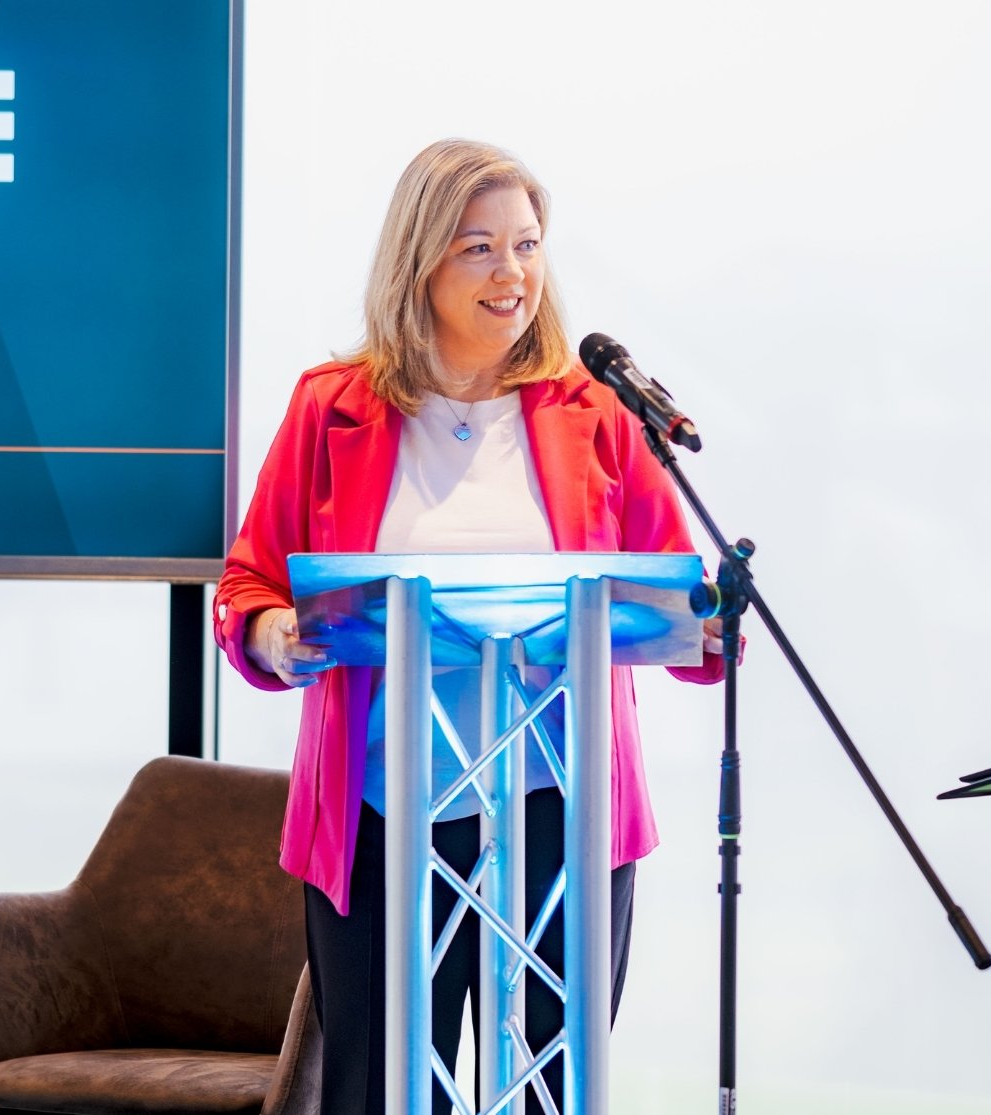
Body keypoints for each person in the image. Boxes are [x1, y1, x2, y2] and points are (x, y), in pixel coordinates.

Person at [213, 138, 726, 1114]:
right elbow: (247, 587)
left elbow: (675, 593)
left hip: (555, 803)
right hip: (376, 809)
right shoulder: (333, 409)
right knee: (372, 1089)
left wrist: (710, 625)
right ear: (420, 259)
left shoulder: (597, 412)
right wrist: (279, 633)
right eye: (479, 248)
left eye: (526, 245)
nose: (512, 273)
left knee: (549, 1087)